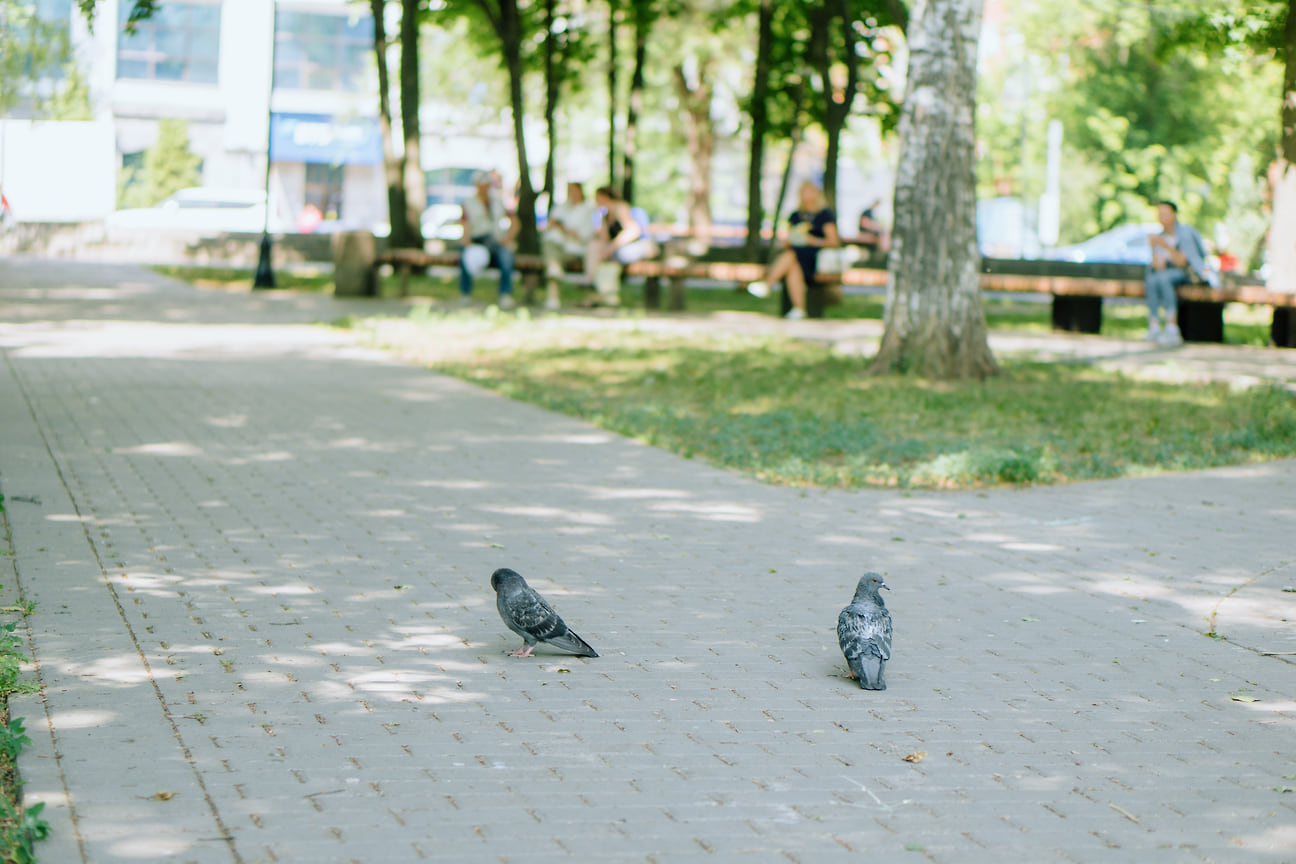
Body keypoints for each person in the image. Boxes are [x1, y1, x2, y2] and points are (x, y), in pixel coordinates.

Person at [748, 181, 840, 320]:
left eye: (809, 192)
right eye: (803, 192)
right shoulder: (796, 215)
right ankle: (799, 309)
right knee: (792, 264)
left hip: (815, 258)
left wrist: (812, 240)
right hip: (796, 255)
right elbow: (789, 236)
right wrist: (789, 240)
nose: (806, 196)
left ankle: (767, 284)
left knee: (791, 256)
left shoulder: (824, 215)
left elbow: (834, 242)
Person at [1145, 200, 1216, 346]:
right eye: (1159, 214)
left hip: (1190, 274)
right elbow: (1158, 266)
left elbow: (1181, 262)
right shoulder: (1160, 236)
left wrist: (1164, 245)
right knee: (1151, 278)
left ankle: (1172, 328)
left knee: (1164, 279)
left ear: (1174, 215)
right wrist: (1154, 248)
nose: (1162, 217)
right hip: (1168, 274)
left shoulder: (1185, 233)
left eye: (1165, 214)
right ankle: (1154, 325)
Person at [583, 186, 657, 308]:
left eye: (597, 198)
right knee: (596, 249)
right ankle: (601, 293)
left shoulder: (620, 207)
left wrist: (612, 247)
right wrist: (602, 220)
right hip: (618, 252)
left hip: (636, 247)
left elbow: (634, 230)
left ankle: (597, 290)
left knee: (611, 256)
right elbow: (604, 240)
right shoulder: (605, 215)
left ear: (605, 197)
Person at [459, 170, 518, 309]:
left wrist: (509, 238)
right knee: (464, 256)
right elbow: (465, 224)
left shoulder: (498, 201)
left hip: (496, 240)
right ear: (476, 185)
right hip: (477, 240)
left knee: (506, 256)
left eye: (486, 184)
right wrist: (466, 243)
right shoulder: (468, 203)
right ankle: (465, 293)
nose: (484, 187)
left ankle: (505, 294)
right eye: (481, 184)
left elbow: (515, 221)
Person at [541, 181, 596, 311]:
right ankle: (553, 279)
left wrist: (564, 229)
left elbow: (585, 236)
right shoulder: (561, 207)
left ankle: (552, 298)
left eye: (573, 190)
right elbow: (547, 228)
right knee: (552, 252)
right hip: (556, 245)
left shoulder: (588, 210)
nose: (570, 194)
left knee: (553, 261)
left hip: (575, 249)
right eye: (569, 191)